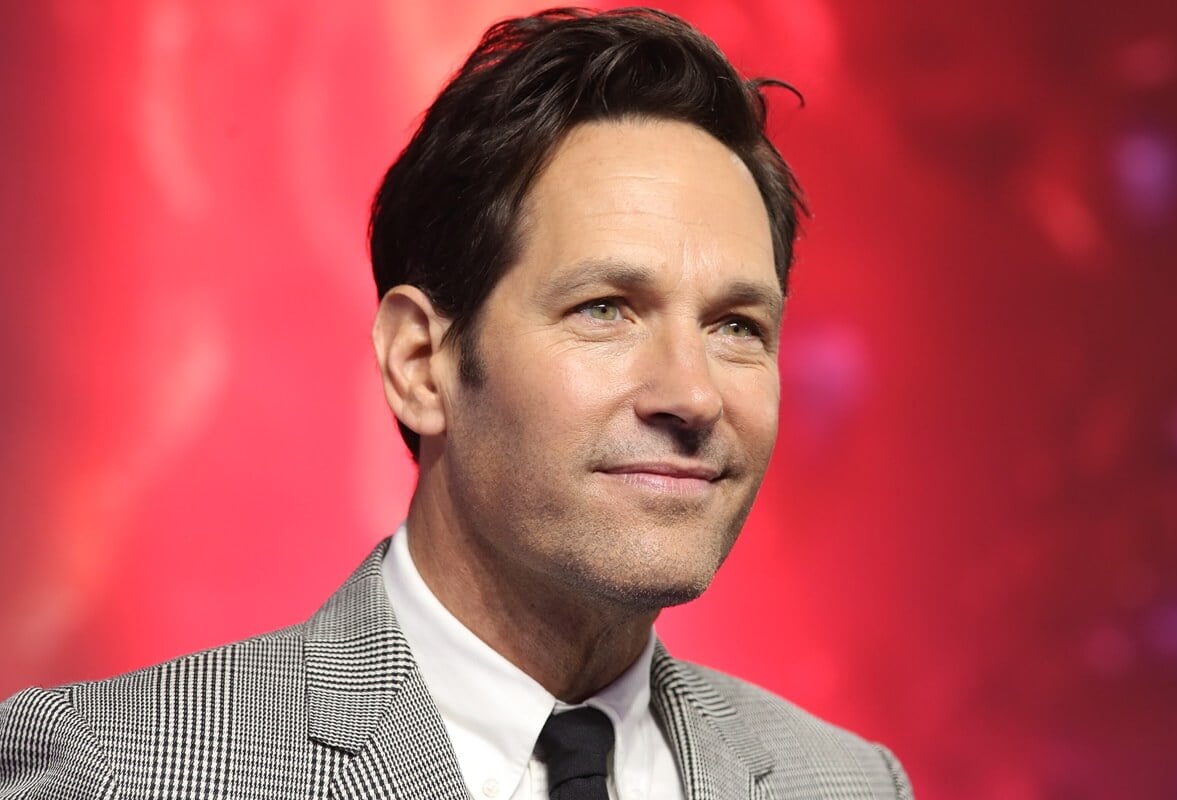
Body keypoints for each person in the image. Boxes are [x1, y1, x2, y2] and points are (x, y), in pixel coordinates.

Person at [0, 8, 912, 800]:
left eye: (739, 326)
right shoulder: (115, 771)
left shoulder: (845, 783)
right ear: (420, 362)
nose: (692, 393)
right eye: (606, 310)